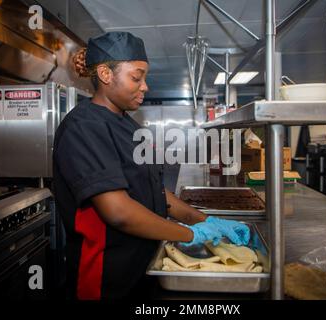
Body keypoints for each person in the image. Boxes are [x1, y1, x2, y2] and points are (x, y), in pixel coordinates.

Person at [52, 31, 250, 300]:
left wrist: (206, 221)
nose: (145, 86)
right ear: (105, 74)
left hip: (140, 267)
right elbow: (118, 211)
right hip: (106, 278)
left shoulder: (127, 125)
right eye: (136, 77)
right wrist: (189, 233)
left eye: (144, 77)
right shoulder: (84, 128)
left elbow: (153, 190)